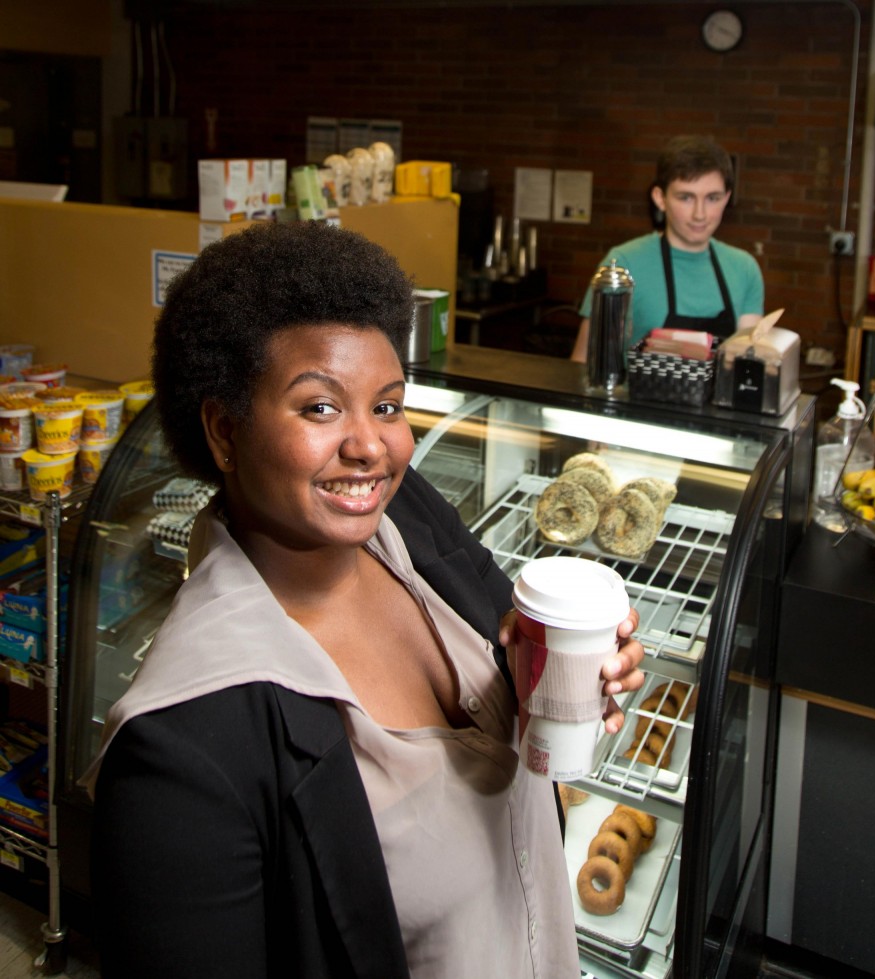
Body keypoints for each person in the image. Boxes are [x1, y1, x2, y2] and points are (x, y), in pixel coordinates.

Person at [84, 220, 645, 979]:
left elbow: (499, 634)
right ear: (224, 430)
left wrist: (546, 667)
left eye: (386, 405)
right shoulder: (182, 754)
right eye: (320, 407)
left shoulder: (402, 513)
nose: (370, 447)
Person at [571, 134, 764, 362]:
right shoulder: (623, 264)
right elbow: (584, 363)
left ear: (726, 198)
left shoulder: (744, 268)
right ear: (660, 198)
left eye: (712, 198)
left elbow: (747, 362)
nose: (700, 214)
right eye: (686, 198)